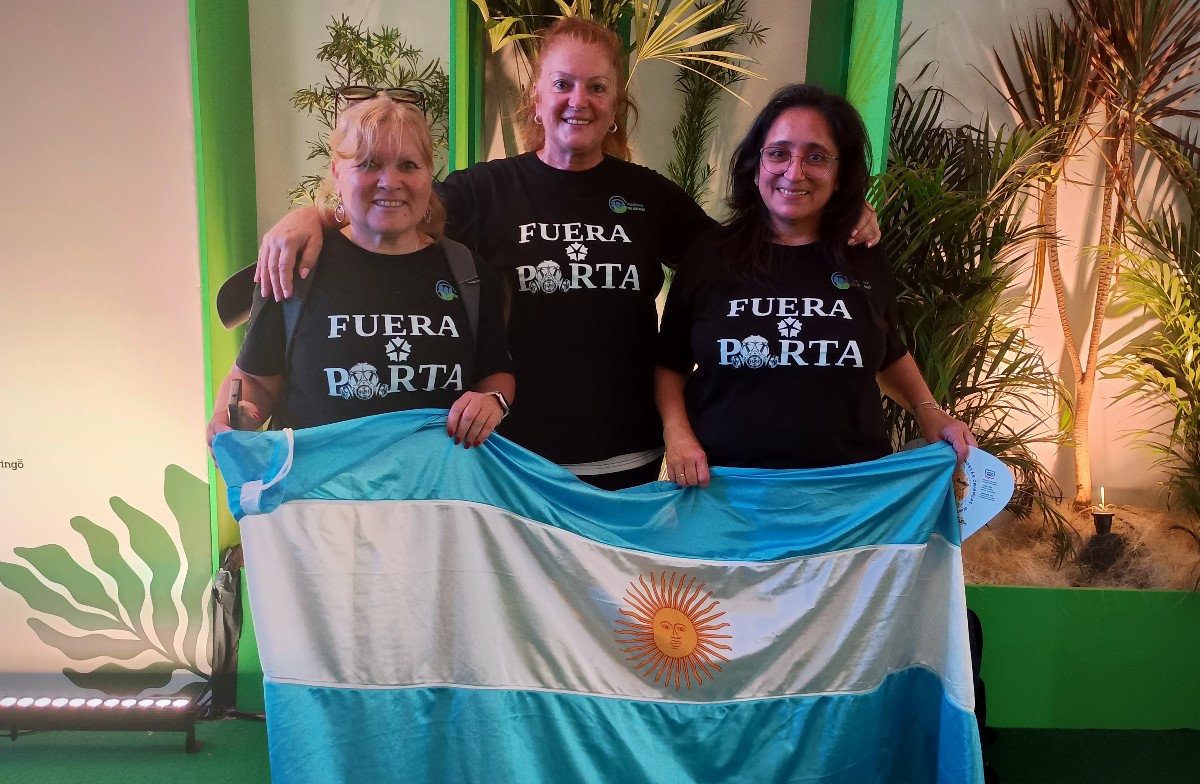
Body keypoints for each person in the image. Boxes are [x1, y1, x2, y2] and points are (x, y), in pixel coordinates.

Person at [253, 18, 881, 490]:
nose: (578, 100)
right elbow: (394, 204)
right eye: (563, 83)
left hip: (625, 458)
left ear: (616, 104)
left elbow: (745, 252)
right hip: (508, 458)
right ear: (537, 96)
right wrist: (316, 212)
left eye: (597, 87)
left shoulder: (649, 197)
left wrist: (839, 213)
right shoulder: (484, 190)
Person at [656, 83, 976, 488]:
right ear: (756, 166)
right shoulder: (709, 254)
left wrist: (928, 409)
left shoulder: (863, 254)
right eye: (778, 153)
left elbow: (888, 349)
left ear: (839, 175)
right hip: (726, 487)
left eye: (816, 157)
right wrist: (676, 432)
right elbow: (670, 362)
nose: (795, 171)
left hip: (848, 492)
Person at [206, 92, 514, 449]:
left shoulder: (467, 273)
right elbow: (255, 381)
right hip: (321, 497)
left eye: (408, 165)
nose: (390, 181)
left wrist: (492, 400)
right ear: (337, 175)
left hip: (434, 496)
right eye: (368, 164)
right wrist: (232, 416)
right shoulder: (296, 266)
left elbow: (495, 372)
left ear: (430, 174)